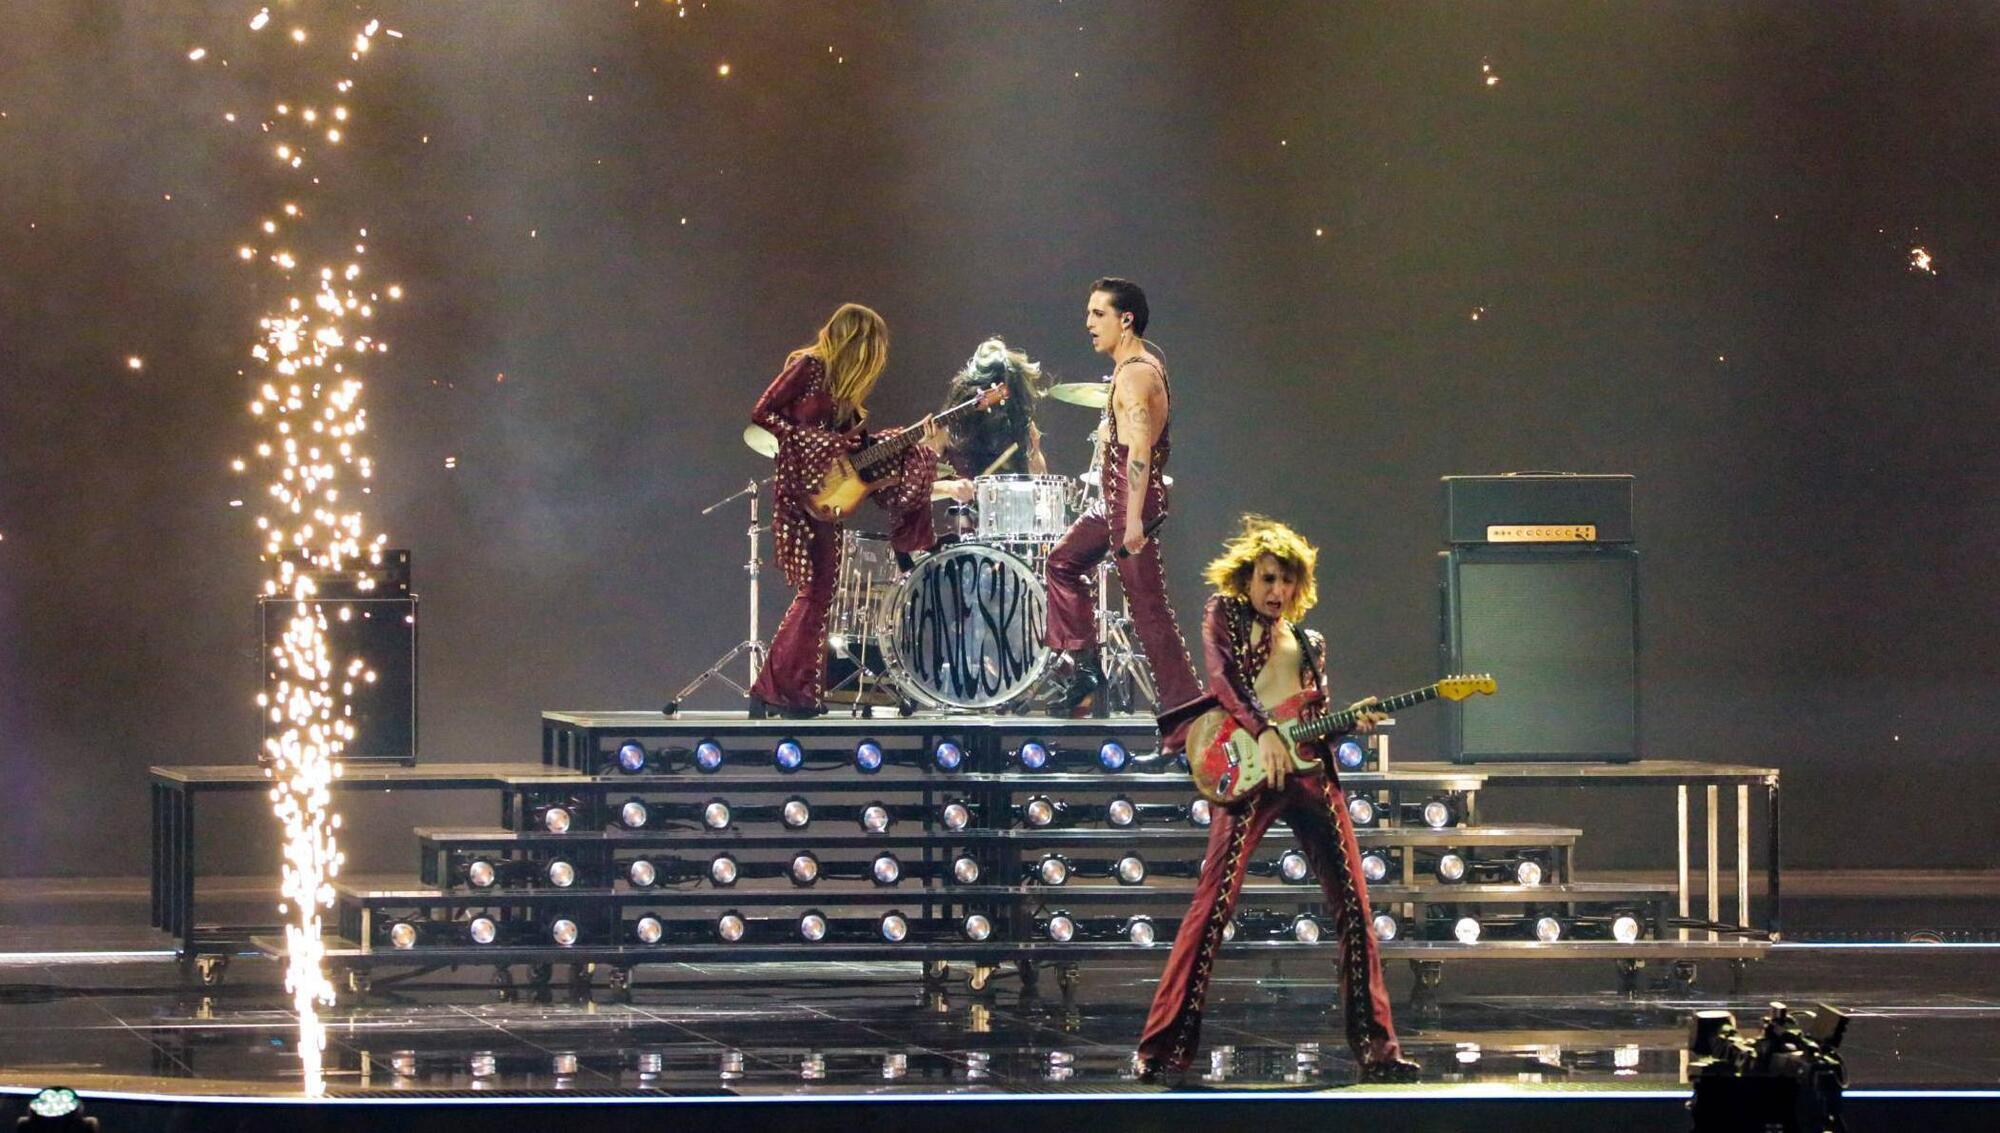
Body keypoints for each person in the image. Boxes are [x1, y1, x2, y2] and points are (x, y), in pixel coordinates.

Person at [1136, 516, 1422, 1085]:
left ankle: (1378, 1052)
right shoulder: (1225, 614)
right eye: (1268, 578)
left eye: (1287, 581)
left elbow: (1314, 719)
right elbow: (1224, 682)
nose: (1277, 591)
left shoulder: (1311, 644)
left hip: (1308, 774)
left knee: (1355, 909)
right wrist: (1264, 731)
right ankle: (1162, 1050)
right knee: (1213, 905)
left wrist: (1350, 722)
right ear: (1248, 577)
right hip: (1248, 767)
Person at [746, 303, 944, 718]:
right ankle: (780, 691)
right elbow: (762, 413)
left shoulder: (840, 390)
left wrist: (914, 442)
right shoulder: (809, 366)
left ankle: (779, 690)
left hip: (830, 493)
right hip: (803, 486)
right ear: (857, 342)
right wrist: (815, 442)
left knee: (819, 591)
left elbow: (855, 446)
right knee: (816, 591)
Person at [1043, 278, 1204, 747]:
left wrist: (1132, 520)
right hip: (1116, 501)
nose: (1089, 323)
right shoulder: (1141, 365)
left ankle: (1187, 718)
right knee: (1062, 562)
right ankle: (1085, 670)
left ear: (1126, 319)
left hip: (1129, 502)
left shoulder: (1134, 374)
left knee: (1149, 611)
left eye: (1099, 314)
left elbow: (1139, 450)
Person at [940, 336, 1048, 478]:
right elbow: (923, 482)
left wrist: (1035, 452)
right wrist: (946, 487)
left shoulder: (1020, 425)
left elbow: (1041, 479)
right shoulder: (952, 428)